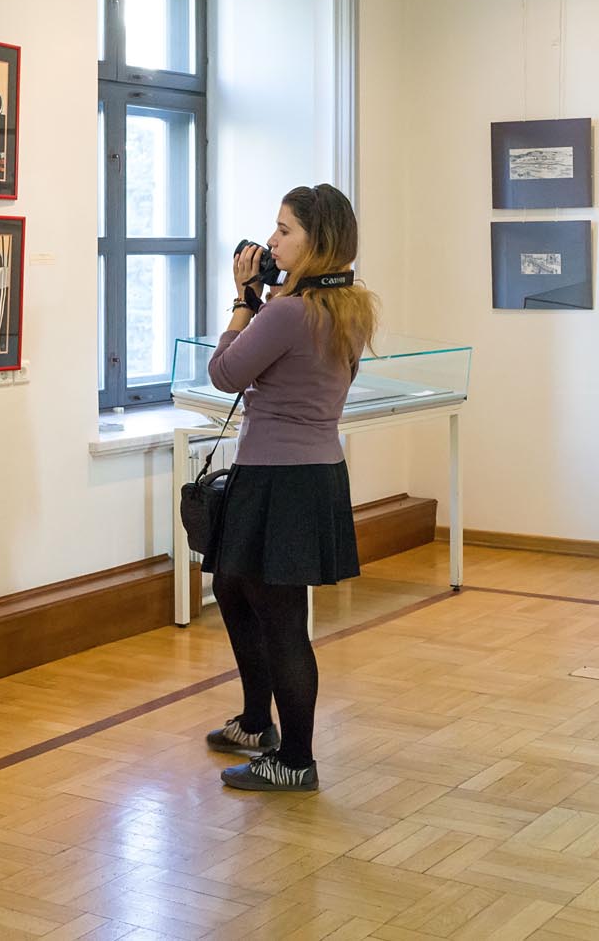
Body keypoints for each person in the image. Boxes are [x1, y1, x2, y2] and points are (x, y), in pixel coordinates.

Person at [201, 183, 379, 792]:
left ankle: (295, 760)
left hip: (278, 476)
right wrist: (269, 293)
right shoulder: (346, 306)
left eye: (284, 231)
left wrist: (242, 301)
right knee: (234, 585)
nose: (271, 242)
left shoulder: (285, 312)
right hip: (314, 473)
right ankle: (257, 723)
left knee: (282, 620)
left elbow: (225, 373)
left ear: (316, 242)